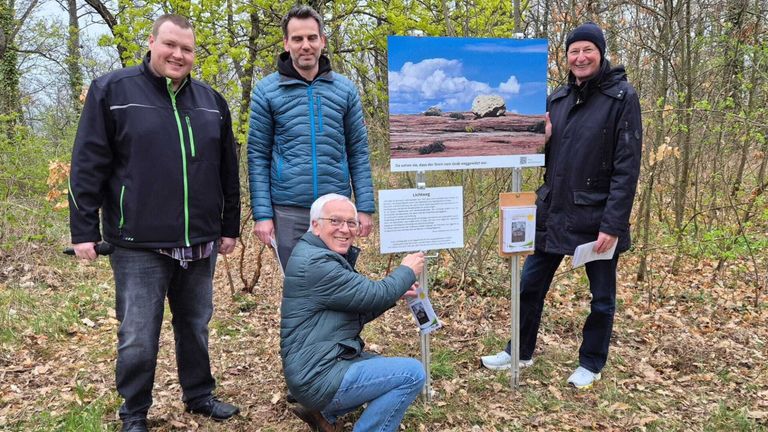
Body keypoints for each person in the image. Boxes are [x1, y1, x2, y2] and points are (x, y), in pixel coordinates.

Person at [68, 14, 241, 432]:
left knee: (195, 326)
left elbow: (227, 170)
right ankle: (134, 413)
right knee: (138, 338)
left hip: (199, 241)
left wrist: (229, 225)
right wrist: (83, 230)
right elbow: (87, 164)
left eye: (187, 48)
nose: (178, 55)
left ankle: (198, 394)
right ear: (151, 42)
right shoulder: (112, 91)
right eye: (170, 45)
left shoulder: (211, 102)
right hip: (137, 243)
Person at [481, 22, 642, 389]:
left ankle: (591, 362)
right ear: (566, 57)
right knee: (529, 286)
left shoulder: (622, 97)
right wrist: (543, 140)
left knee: (601, 298)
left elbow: (626, 167)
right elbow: (546, 155)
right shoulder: (556, 98)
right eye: (574, 51)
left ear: (600, 53)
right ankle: (519, 351)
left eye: (588, 50)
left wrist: (613, 224)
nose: (580, 57)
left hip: (598, 215)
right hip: (553, 211)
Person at [281, 194, 426, 431]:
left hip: (315, 367)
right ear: (316, 226)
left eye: (351, 223)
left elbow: (358, 306)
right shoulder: (317, 263)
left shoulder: (316, 253)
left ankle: (323, 413)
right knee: (411, 374)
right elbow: (373, 294)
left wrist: (395, 293)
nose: (344, 229)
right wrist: (406, 271)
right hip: (316, 375)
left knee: (383, 367)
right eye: (335, 221)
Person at [247, 5, 375, 270]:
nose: (305, 45)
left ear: (322, 41)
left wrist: (364, 207)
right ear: (286, 43)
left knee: (337, 288)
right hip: (288, 209)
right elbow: (257, 156)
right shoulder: (266, 91)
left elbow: (358, 151)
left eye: (311, 38)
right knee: (297, 289)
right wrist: (262, 215)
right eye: (297, 39)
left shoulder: (345, 90)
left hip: (336, 210)